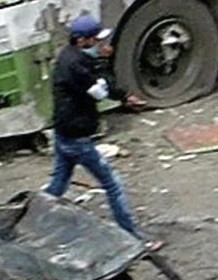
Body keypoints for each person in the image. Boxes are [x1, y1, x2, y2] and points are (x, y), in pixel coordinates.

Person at [46, 14, 148, 238]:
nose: (100, 44)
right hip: (78, 138)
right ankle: (133, 237)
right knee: (112, 185)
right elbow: (100, 92)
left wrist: (124, 96)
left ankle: (36, 222)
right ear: (82, 41)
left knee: (58, 185)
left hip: (63, 134)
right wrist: (103, 64)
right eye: (95, 40)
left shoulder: (70, 57)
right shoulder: (76, 65)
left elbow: (101, 84)